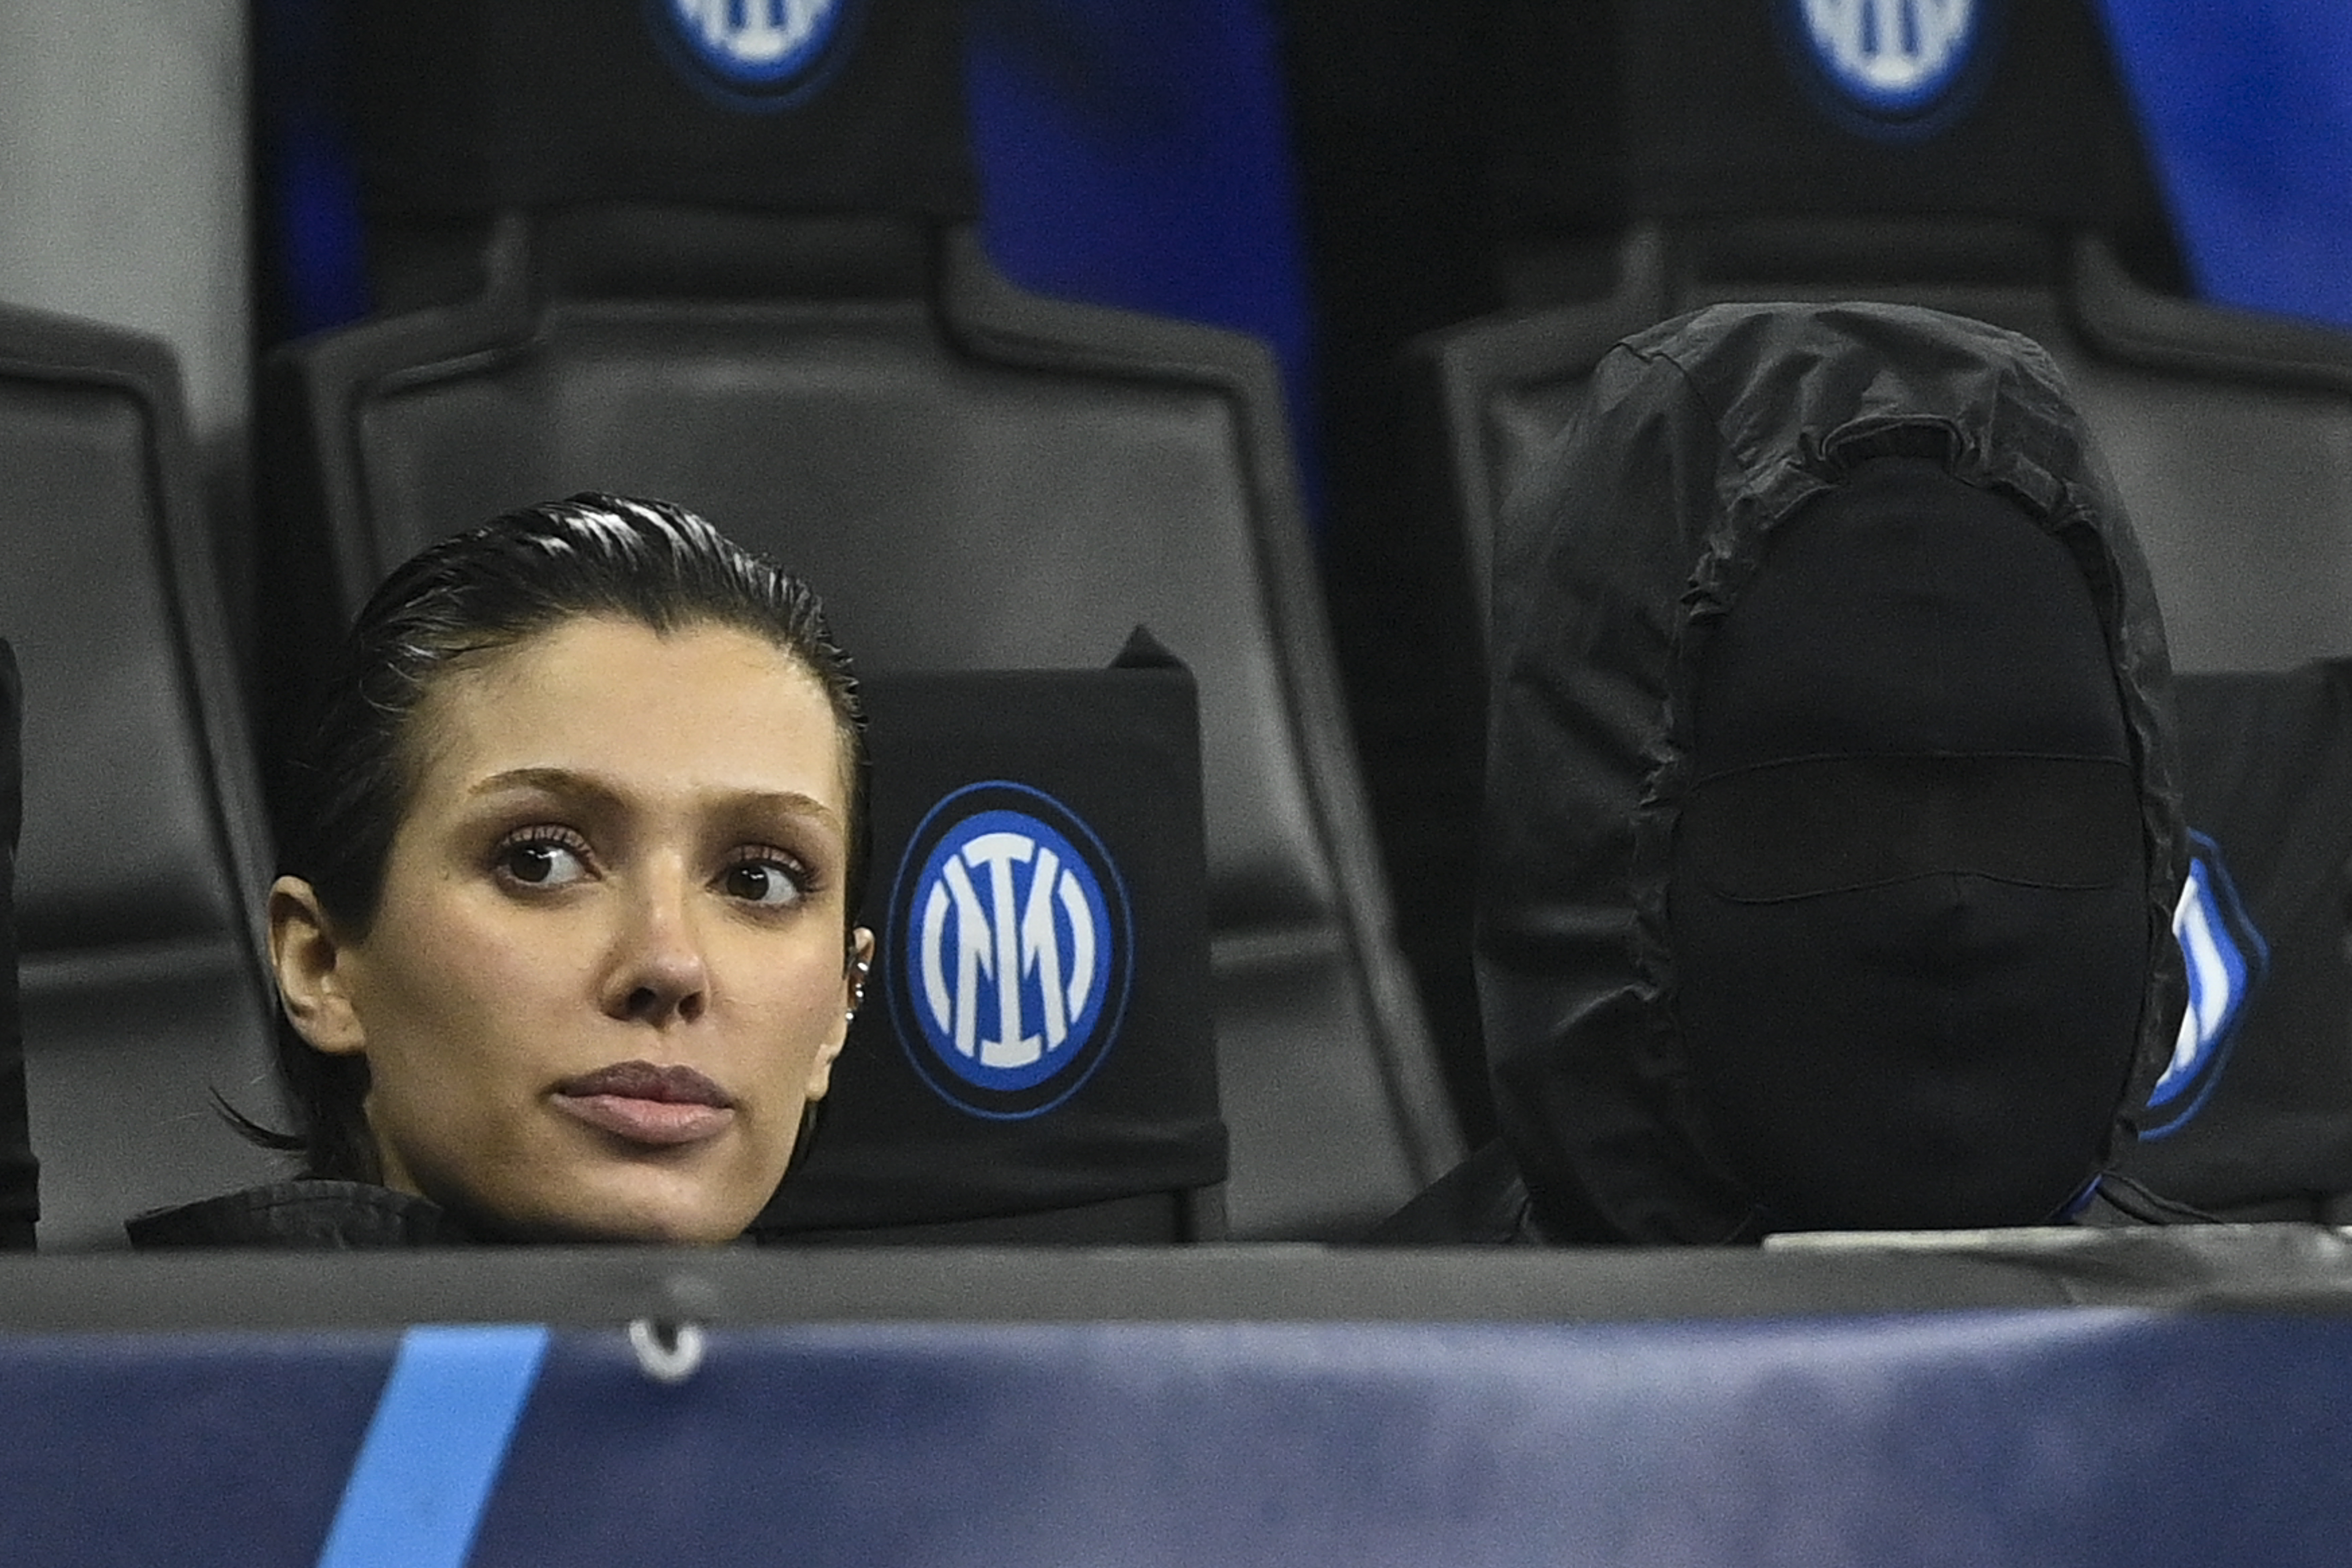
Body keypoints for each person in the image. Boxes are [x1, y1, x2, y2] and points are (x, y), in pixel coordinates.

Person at [1375, 301, 2190, 1243]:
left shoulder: (2286, 1361)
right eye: (1824, 812)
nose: (1951, 904)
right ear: (1594, 852)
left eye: (2041, 810)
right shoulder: (1347, 1380)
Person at [129, 493, 874, 1246]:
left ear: (842, 1004)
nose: (670, 964)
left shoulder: (925, 1365)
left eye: (759, 880)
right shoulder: (159, 1368)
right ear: (320, 965)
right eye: (539, 861)